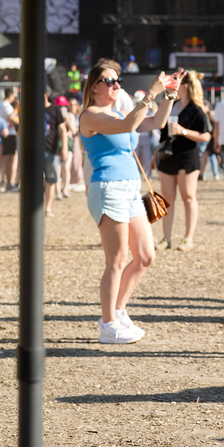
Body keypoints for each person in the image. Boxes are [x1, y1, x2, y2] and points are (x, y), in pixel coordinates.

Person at [78, 60, 182, 344]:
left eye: (117, 80)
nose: (116, 85)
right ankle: (108, 325)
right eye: (109, 81)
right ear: (94, 87)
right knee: (117, 260)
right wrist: (151, 93)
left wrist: (169, 94)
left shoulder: (118, 113)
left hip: (130, 190)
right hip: (108, 188)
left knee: (146, 256)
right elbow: (128, 124)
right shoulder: (90, 115)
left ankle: (118, 311)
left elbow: (157, 122)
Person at [156, 70, 211, 252]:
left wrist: (183, 131)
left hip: (188, 157)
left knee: (188, 197)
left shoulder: (197, 110)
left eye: (178, 84)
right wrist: (156, 154)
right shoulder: (171, 105)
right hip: (168, 156)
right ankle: (166, 238)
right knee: (167, 198)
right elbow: (163, 134)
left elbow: (205, 136)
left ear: (185, 86)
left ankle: (188, 238)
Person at [44, 92, 69, 217]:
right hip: (34, 150)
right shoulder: (31, 109)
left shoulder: (55, 110)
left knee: (51, 179)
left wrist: (64, 147)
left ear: (46, 94)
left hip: (51, 149)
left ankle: (48, 208)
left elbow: (62, 129)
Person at [0, 88, 19, 191]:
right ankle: (9, 182)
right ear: (11, 95)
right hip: (10, 135)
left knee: (4, 160)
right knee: (10, 160)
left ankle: (4, 180)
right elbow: (11, 117)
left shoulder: (0, 104)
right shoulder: (8, 106)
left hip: (2, 134)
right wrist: (13, 125)